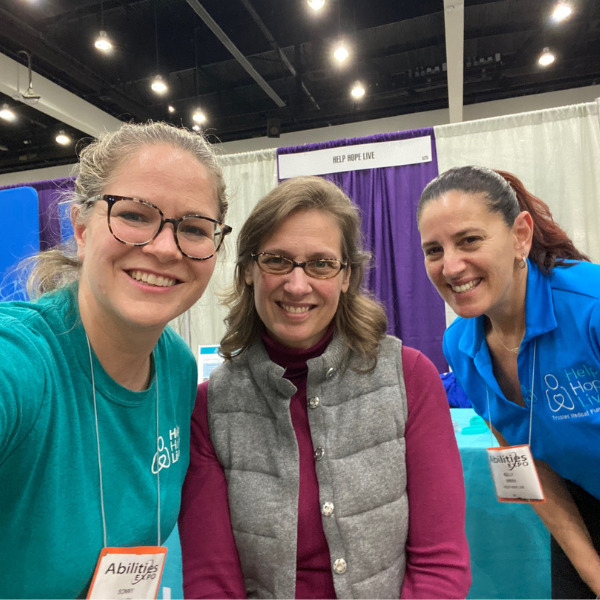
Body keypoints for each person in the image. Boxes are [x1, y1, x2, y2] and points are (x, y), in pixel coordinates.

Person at [179, 175, 471, 599]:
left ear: (346, 276)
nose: (297, 285)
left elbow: (439, 565)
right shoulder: (211, 408)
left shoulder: (409, 378)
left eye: (320, 264)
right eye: (276, 260)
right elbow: (213, 584)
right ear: (246, 272)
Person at [0, 121, 231, 599]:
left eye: (193, 227)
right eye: (134, 215)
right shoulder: (24, 360)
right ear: (81, 229)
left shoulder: (177, 369)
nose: (165, 247)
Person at [417, 165, 600, 599]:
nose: (452, 266)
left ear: (521, 235)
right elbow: (527, 463)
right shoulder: (460, 346)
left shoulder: (590, 307)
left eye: (469, 240)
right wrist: (592, 571)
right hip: (581, 504)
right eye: (434, 250)